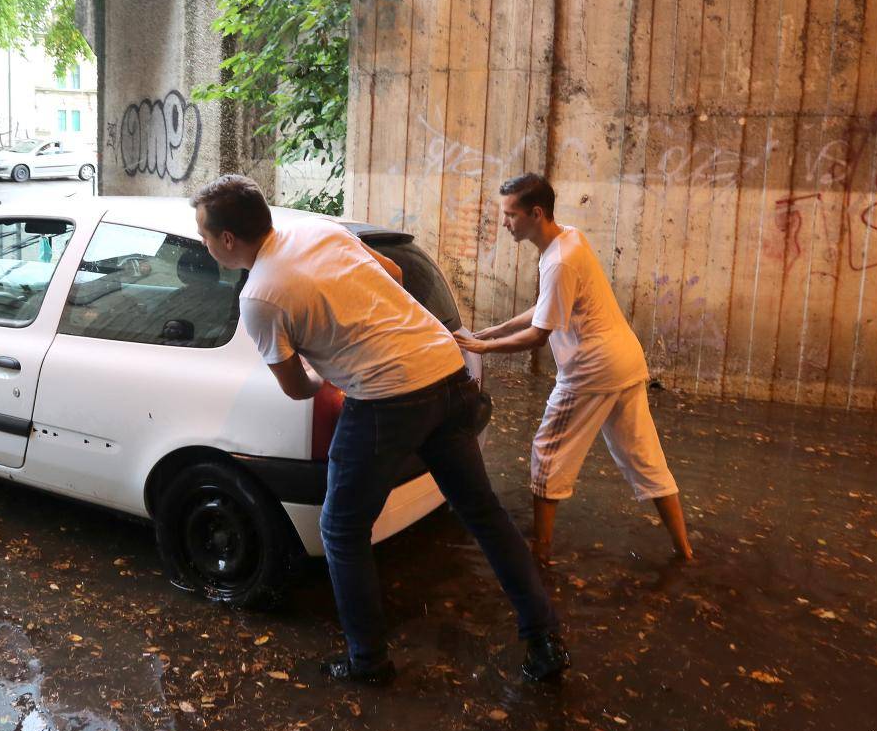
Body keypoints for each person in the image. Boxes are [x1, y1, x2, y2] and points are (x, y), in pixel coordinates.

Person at [192, 174, 568, 685]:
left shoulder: (260, 297)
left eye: (205, 236)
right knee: (484, 515)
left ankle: (368, 661)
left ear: (228, 241)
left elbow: (299, 389)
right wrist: (362, 322)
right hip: (447, 370)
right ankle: (544, 640)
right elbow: (391, 271)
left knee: (341, 531)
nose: (204, 244)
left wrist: (333, 364)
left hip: (387, 401)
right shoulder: (318, 232)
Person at [458, 173, 693, 564]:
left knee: (548, 452)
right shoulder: (570, 238)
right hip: (625, 361)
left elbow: (538, 334)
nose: (504, 223)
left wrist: (485, 346)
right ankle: (684, 550)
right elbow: (548, 307)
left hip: (592, 369)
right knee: (644, 456)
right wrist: (494, 330)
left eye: (510, 214)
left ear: (535, 213)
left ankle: (541, 554)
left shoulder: (559, 262)